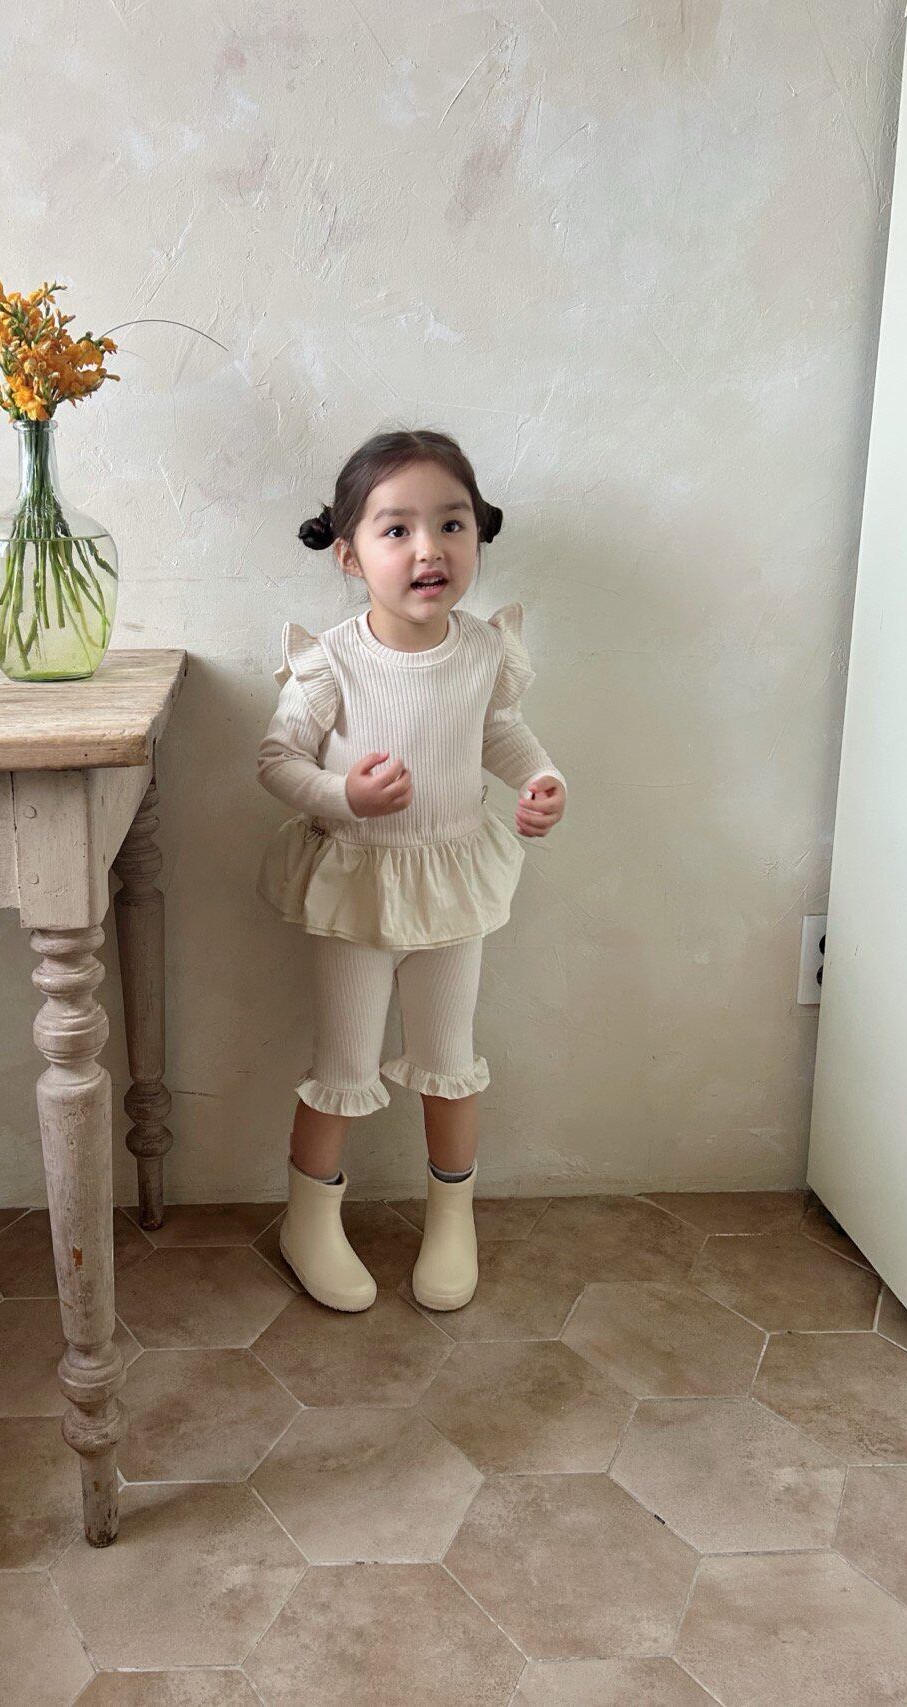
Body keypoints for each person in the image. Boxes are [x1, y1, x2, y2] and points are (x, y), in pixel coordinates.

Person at [256, 427, 566, 1314]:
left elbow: (500, 732)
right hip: (357, 887)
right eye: (397, 529)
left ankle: (452, 1217)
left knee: (448, 1058)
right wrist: (344, 794)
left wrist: (542, 780)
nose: (429, 549)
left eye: (451, 525)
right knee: (344, 1061)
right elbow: (277, 759)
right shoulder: (332, 661)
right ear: (350, 553)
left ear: (477, 535)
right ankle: (310, 1221)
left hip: (452, 884)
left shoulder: (483, 652)